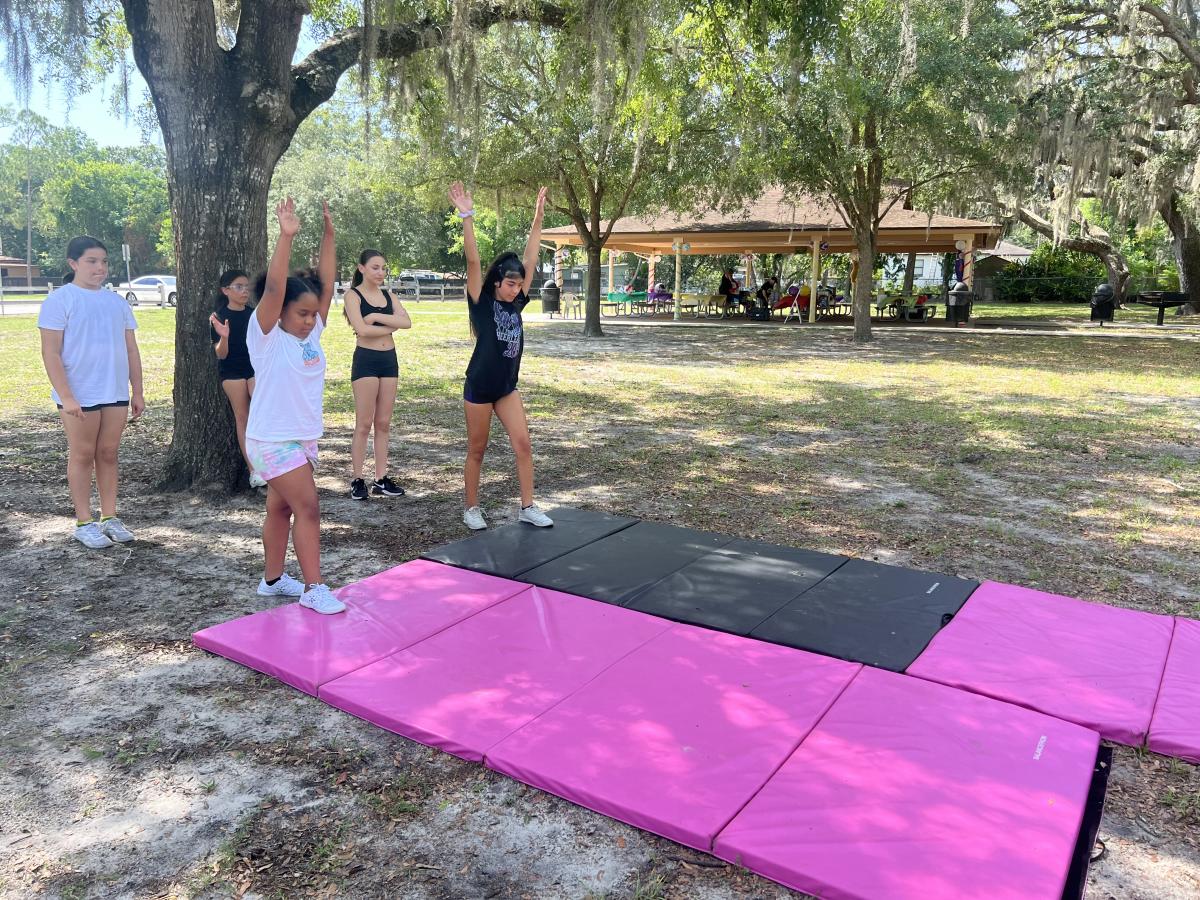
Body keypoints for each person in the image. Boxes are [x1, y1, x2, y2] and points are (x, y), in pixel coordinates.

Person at [244, 198, 344, 614]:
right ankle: (313, 588)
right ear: (280, 311)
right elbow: (273, 288)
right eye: (301, 313)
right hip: (271, 439)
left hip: (301, 438)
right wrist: (286, 236)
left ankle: (271, 581)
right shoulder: (265, 338)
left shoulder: (312, 334)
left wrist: (329, 236)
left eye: (312, 314)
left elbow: (327, 283)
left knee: (281, 508)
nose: (308, 320)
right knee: (308, 507)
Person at [448, 180, 554, 531]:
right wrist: (467, 217)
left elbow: (531, 256)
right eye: (511, 284)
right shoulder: (481, 303)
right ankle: (471, 508)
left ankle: (527, 506)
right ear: (497, 281)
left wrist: (538, 218)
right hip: (479, 387)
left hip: (507, 388)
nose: (516, 289)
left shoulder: (516, 302)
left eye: (519, 284)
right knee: (477, 449)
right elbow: (473, 259)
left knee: (523, 444)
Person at [38, 236, 145, 549]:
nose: (100, 268)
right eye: (92, 261)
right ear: (73, 264)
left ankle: (109, 517)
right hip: (79, 394)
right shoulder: (60, 301)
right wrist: (67, 396)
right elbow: (51, 353)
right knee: (83, 453)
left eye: (104, 261)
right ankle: (84, 522)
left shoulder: (117, 302)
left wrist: (137, 391)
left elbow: (131, 349)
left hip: (114, 390)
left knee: (108, 453)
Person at [343, 249, 411, 501]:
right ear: (361, 268)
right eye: (375, 267)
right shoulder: (353, 295)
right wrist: (391, 325)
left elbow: (407, 323)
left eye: (383, 268)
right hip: (366, 361)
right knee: (364, 424)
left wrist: (374, 317)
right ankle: (357, 479)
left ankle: (381, 479)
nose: (380, 272)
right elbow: (361, 330)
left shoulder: (389, 296)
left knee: (383, 423)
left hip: (389, 361)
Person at [208, 269, 266, 488]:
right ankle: (254, 470)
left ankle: (272, 463)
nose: (244, 291)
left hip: (254, 369)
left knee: (263, 412)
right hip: (231, 371)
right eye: (238, 287)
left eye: (246, 286)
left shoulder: (254, 314)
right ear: (226, 290)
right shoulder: (218, 317)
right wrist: (224, 337)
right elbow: (221, 354)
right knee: (243, 417)